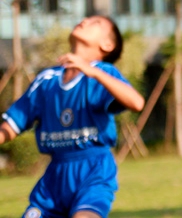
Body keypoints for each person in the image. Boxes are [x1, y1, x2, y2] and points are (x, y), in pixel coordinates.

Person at [0, 15, 145, 218]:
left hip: (94, 169)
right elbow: (12, 125)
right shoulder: (46, 80)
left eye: (95, 23)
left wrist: (92, 72)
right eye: (84, 19)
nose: (84, 21)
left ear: (107, 44)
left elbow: (137, 102)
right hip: (54, 175)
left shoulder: (101, 73)